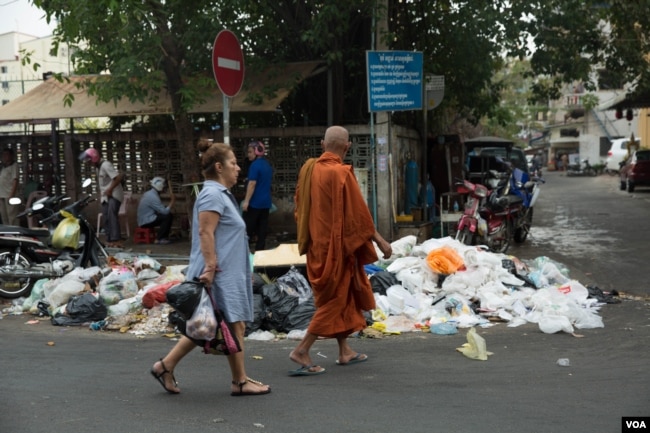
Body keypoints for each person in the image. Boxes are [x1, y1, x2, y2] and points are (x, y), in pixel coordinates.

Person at [149, 138, 271, 396]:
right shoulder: (212, 194)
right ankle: (239, 382)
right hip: (217, 274)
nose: (238, 168)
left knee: (207, 326)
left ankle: (165, 366)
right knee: (231, 324)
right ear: (219, 167)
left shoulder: (221, 195)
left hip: (227, 272)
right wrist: (211, 268)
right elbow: (206, 232)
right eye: (234, 163)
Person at [290, 126, 392, 376]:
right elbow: (360, 217)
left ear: (323, 144)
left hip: (316, 247)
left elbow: (298, 206)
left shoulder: (308, 170)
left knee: (342, 296)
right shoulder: (343, 174)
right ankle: (302, 349)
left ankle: (344, 350)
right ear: (347, 147)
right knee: (335, 300)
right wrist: (380, 241)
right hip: (337, 249)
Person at [79, 148, 124, 248]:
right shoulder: (98, 167)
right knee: (106, 217)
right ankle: (109, 239)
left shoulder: (106, 165)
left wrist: (110, 190)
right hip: (106, 196)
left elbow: (118, 178)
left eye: (89, 160)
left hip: (114, 194)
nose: (88, 163)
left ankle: (116, 240)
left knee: (112, 215)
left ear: (94, 158)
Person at [241, 141, 273, 251]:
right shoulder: (267, 165)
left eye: (250, 152)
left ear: (257, 152)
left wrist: (246, 201)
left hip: (254, 203)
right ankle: (260, 254)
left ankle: (244, 252)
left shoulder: (254, 166)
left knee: (246, 230)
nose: (248, 155)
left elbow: (252, 184)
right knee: (262, 231)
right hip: (266, 204)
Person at [137, 176, 176, 244]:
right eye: (164, 187)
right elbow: (165, 212)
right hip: (146, 221)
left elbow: (160, 208)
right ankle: (160, 238)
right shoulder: (153, 196)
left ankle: (162, 237)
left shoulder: (150, 193)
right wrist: (172, 201)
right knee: (168, 216)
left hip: (145, 219)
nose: (164, 188)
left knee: (167, 215)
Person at [0, 148, 19, 226]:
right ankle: (8, 232)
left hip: (10, 195)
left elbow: (15, 180)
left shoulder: (14, 165)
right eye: (4, 155)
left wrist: (12, 195)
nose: (5, 156)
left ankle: (14, 232)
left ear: (11, 156)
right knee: (4, 216)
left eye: (7, 154)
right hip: (2, 194)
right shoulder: (3, 167)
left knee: (12, 216)